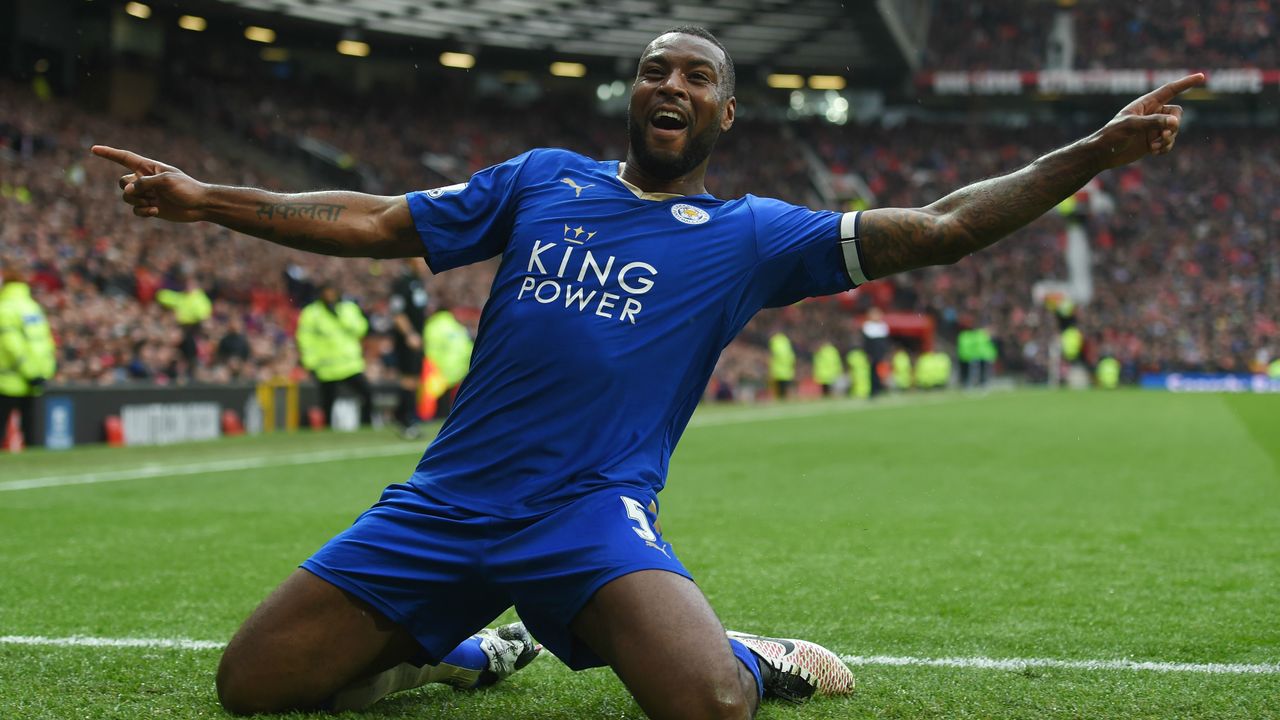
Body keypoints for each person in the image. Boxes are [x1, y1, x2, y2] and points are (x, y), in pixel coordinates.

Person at [93, 25, 1201, 719]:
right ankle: (457, 656)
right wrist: (207, 201)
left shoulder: (750, 233)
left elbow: (942, 227)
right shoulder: (540, 180)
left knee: (709, 704)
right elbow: (382, 219)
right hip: (445, 500)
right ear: (631, 96)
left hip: (587, 513)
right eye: (652, 69)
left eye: (696, 77)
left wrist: (1091, 151)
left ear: (725, 112)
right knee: (253, 687)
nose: (669, 83)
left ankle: (751, 655)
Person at [295, 282, 374, 428]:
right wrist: (310, 362)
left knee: (367, 393)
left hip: (349, 365)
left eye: (332, 292)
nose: (330, 296)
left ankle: (366, 425)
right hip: (326, 367)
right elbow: (304, 339)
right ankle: (327, 430)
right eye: (327, 293)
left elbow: (362, 329)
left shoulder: (348, 309)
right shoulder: (312, 313)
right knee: (327, 403)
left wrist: (341, 317)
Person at [0, 264, 57, 446]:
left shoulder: (5, 309)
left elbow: (12, 346)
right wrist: (42, 373)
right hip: (35, 380)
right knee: (32, 433)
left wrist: (29, 372)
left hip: (7, 381)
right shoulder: (33, 307)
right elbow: (45, 342)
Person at [388, 260, 430, 438]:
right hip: (407, 339)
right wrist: (410, 335)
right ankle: (407, 421)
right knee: (409, 379)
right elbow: (397, 313)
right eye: (421, 260)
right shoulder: (402, 283)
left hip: (417, 338)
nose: (424, 264)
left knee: (414, 378)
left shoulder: (417, 282)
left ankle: (400, 416)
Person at [767, 331, 796, 400]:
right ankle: (785, 399)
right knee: (785, 389)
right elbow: (791, 357)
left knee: (779, 391)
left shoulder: (774, 341)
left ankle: (780, 399)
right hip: (786, 371)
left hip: (778, 371)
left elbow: (772, 354)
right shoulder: (786, 341)